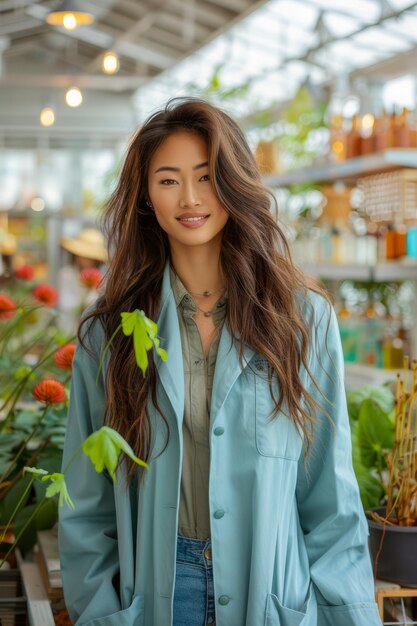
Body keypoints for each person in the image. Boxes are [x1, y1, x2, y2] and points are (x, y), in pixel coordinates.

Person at [59, 98, 382, 626]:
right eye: (168, 180)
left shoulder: (301, 319)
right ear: (145, 196)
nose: (190, 198)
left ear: (234, 182)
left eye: (207, 177)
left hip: (272, 588)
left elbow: (330, 499)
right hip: (159, 591)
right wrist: (100, 612)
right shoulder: (109, 333)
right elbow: (87, 507)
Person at [58, 228, 107, 335]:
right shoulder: (67, 274)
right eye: (81, 254)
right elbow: (64, 303)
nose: (83, 259)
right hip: (68, 329)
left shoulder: (102, 278)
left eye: (88, 256)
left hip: (92, 331)